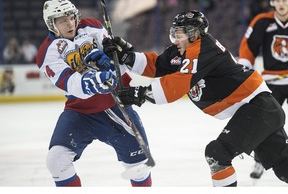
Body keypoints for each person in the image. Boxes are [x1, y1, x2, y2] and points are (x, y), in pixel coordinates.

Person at [101, 10, 288, 186]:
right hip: (257, 111)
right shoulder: (183, 49)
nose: (175, 39)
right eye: (174, 33)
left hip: (259, 108)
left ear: (194, 34)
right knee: (284, 169)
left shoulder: (203, 48)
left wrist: (140, 93)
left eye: (179, 34)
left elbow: (180, 83)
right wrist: (126, 56)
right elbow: (157, 65)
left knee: (217, 153)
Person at [35, 0, 152, 187]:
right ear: (51, 24)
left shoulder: (92, 27)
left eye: (71, 17)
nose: (70, 23)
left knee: (139, 169)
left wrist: (113, 55)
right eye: (62, 20)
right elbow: (71, 83)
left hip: (114, 107)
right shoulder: (47, 52)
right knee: (56, 161)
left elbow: (117, 65)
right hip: (80, 113)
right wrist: (97, 78)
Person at [238, 0, 288, 179]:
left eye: (285, 0)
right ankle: (260, 161)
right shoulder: (262, 21)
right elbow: (248, 48)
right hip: (271, 81)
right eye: (278, 0)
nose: (282, 4)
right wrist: (244, 71)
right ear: (272, 2)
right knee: (265, 124)